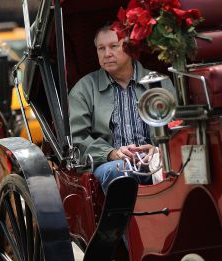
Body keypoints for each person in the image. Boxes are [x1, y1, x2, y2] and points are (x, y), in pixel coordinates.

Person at [68, 25, 175, 193]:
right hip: (111, 165)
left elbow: (177, 126)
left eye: (113, 46)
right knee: (119, 171)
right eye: (101, 48)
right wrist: (112, 153)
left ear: (130, 48)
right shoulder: (83, 89)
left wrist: (157, 150)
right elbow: (78, 139)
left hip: (158, 159)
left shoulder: (159, 83)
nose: (107, 54)